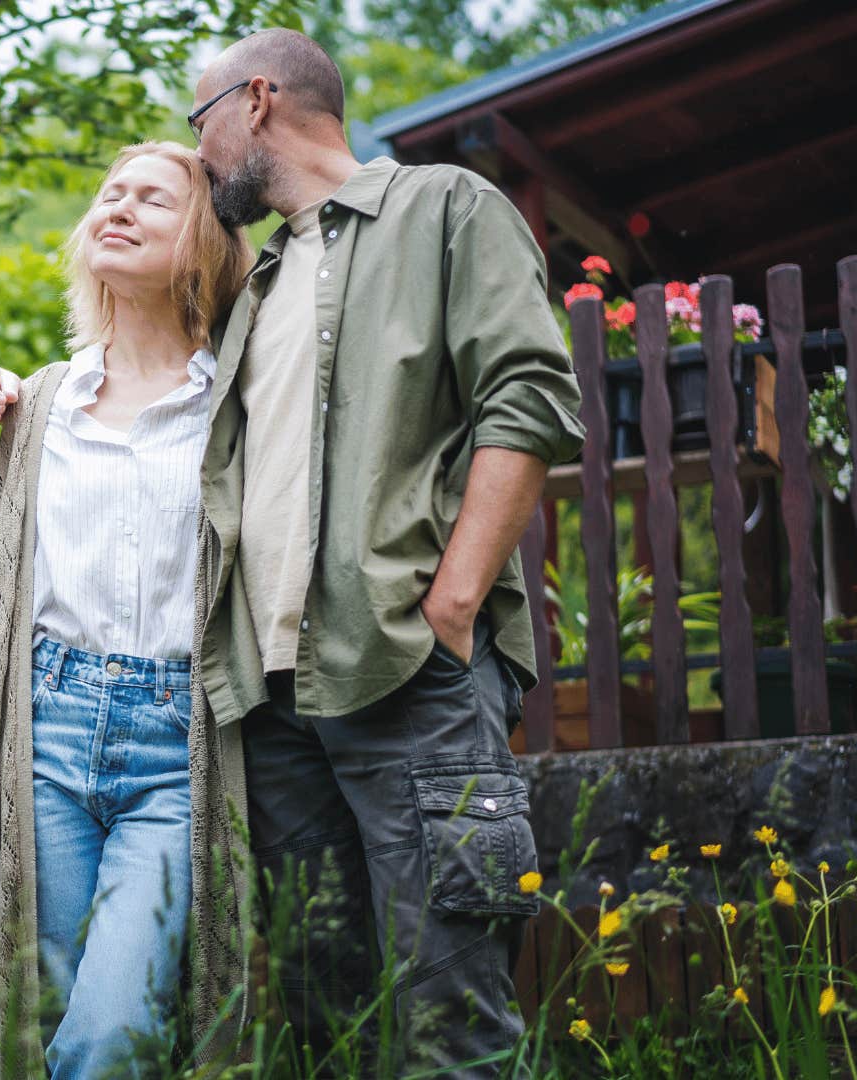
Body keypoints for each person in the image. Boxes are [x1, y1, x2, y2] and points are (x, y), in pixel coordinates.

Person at [186, 27, 587, 1077]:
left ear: (258, 99)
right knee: (328, 1022)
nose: (200, 156)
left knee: (452, 1016)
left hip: (412, 673)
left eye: (202, 124)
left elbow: (531, 397)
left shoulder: (446, 206)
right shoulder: (259, 282)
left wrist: (453, 602)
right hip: (275, 705)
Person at [0, 141, 252, 1078]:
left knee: (110, 1036)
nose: (121, 208)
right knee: (43, 1022)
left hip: (180, 748)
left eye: (153, 198)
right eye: (110, 195)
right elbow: (1, 601)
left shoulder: (238, 398)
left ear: (206, 244)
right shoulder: (40, 404)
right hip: (46, 736)